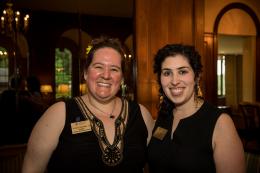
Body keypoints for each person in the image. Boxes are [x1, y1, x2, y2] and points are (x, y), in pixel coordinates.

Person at [22, 36, 154, 173]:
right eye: (98, 67)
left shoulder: (141, 114)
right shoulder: (58, 114)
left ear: (121, 78)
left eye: (114, 69)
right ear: (85, 72)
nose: (106, 75)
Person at [147, 44, 245, 173]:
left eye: (182, 71)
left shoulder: (220, 122)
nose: (174, 81)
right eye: (167, 73)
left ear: (197, 76)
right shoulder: (163, 115)